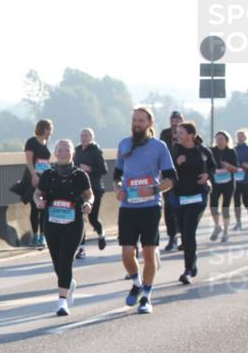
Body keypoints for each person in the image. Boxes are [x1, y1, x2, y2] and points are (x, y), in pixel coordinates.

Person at [112, 107, 176, 314]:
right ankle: (137, 283)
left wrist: (154, 189)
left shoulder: (159, 146)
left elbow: (171, 179)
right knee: (126, 253)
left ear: (149, 123)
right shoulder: (124, 144)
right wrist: (117, 189)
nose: (136, 124)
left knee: (149, 253)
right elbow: (117, 175)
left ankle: (146, 297)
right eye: (134, 120)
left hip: (150, 207)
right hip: (128, 206)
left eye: (140, 120)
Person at [34, 140, 93, 315]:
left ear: (72, 153)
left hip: (73, 223)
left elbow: (90, 195)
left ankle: (61, 302)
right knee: (57, 261)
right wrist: (39, 202)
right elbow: (37, 194)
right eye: (60, 150)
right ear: (55, 152)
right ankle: (68, 283)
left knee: (66, 259)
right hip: (51, 223)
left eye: (67, 150)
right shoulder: (48, 175)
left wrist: (89, 204)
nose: (63, 153)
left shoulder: (80, 175)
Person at [171, 122, 215, 284]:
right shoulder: (174, 151)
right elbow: (165, 171)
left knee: (189, 232)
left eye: (181, 133)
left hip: (198, 197)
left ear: (191, 134)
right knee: (184, 233)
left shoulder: (203, 151)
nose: (178, 136)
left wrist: (207, 176)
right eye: (177, 133)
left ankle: (187, 269)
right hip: (179, 196)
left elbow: (212, 167)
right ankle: (193, 261)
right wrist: (177, 164)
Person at [73, 128, 107, 256]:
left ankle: (101, 233)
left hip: (94, 189)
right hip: (79, 189)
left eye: (86, 135)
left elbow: (104, 170)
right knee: (80, 218)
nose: (84, 138)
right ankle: (81, 249)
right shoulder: (76, 151)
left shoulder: (96, 151)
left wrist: (90, 169)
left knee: (93, 219)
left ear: (92, 137)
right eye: (82, 135)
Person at [23, 119, 53, 247]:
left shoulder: (46, 142)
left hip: (45, 177)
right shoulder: (31, 142)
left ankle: (43, 235)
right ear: (44, 129)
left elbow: (45, 161)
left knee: (44, 207)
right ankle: (35, 235)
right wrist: (34, 175)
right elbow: (29, 161)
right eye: (50, 129)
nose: (51, 132)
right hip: (33, 177)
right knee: (35, 207)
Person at [159, 111, 184, 251]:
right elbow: (163, 151)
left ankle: (183, 235)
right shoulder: (165, 134)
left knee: (182, 208)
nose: (174, 122)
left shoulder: (186, 132)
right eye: (172, 119)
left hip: (183, 177)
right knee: (169, 208)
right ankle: (172, 236)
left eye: (177, 119)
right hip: (168, 176)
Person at [209, 131, 239, 243]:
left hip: (228, 183)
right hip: (215, 183)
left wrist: (228, 166)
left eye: (221, 139)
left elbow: (236, 169)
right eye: (217, 139)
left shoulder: (231, 152)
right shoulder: (211, 151)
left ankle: (225, 232)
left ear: (226, 140)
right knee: (213, 206)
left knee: (225, 207)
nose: (219, 141)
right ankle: (217, 226)